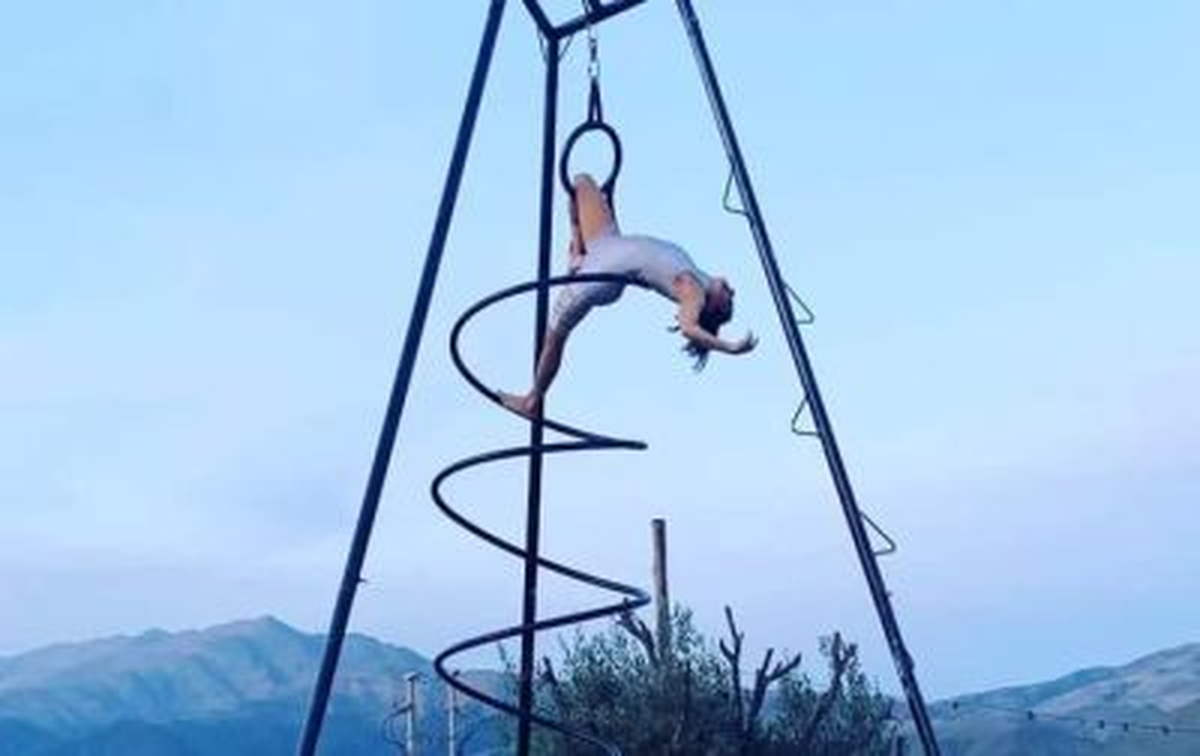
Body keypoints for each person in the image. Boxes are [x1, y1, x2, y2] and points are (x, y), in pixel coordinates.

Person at [500, 173, 757, 417]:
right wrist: (585, 226)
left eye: (729, 299)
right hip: (606, 246)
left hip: (598, 277)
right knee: (581, 182)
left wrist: (730, 347)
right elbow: (640, 252)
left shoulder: (693, 292)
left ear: (712, 307)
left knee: (554, 337)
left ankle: (532, 400)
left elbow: (689, 328)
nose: (731, 290)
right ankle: (577, 255)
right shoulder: (693, 272)